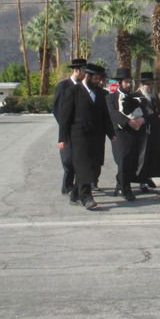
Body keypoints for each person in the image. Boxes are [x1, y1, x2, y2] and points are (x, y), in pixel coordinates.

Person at [56, 62, 113, 210]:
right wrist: (62, 138)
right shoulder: (73, 91)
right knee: (84, 167)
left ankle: (75, 193)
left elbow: (105, 116)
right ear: (87, 76)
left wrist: (111, 134)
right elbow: (65, 117)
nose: (98, 82)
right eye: (95, 79)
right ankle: (86, 197)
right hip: (78, 136)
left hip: (96, 137)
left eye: (100, 79)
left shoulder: (101, 94)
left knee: (93, 167)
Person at [106, 67, 147, 202]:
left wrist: (142, 119)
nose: (129, 85)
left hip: (134, 134)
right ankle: (126, 189)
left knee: (131, 162)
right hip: (119, 134)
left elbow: (145, 111)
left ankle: (120, 184)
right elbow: (113, 113)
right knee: (123, 161)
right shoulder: (110, 97)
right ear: (120, 83)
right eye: (126, 82)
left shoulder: (136, 97)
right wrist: (128, 122)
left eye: (130, 82)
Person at [52, 57, 86, 197]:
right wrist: (64, 125)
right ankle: (66, 186)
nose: (85, 74)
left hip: (80, 130)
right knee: (68, 159)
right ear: (76, 70)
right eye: (84, 71)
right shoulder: (63, 86)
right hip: (67, 129)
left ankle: (77, 186)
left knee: (78, 158)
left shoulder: (83, 86)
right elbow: (57, 108)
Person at [136, 71, 160, 192]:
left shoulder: (154, 96)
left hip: (156, 131)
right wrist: (155, 116)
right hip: (144, 133)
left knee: (154, 156)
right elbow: (139, 115)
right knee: (143, 158)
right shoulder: (137, 96)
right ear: (142, 85)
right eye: (147, 85)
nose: (149, 87)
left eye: (151, 84)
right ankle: (142, 182)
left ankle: (148, 177)